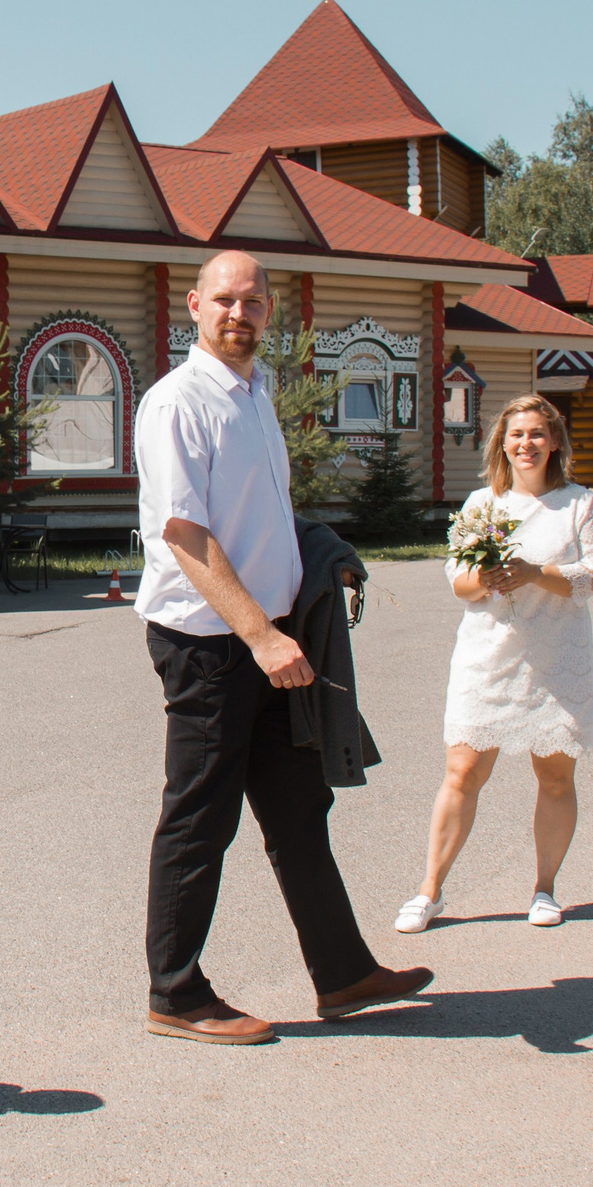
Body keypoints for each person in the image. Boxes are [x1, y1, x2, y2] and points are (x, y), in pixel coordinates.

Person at [133, 249, 434, 1045]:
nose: (240, 313)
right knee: (200, 814)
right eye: (225, 300)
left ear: (271, 313)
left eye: (254, 302)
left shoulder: (256, 393)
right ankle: (176, 991)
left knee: (300, 808)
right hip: (209, 642)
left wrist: (304, 580)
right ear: (193, 306)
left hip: (270, 635)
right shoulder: (178, 404)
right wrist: (261, 636)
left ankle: (341, 973)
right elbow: (184, 534)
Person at [397, 394, 593, 935]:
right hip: (489, 657)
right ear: (503, 444)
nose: (527, 444)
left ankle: (544, 889)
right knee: (462, 770)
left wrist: (535, 572)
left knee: (555, 774)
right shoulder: (481, 505)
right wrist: (489, 575)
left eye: (538, 433)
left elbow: (591, 578)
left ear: (555, 441)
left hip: (558, 658)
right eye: (517, 435)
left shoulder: (579, 503)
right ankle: (429, 891)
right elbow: (459, 583)